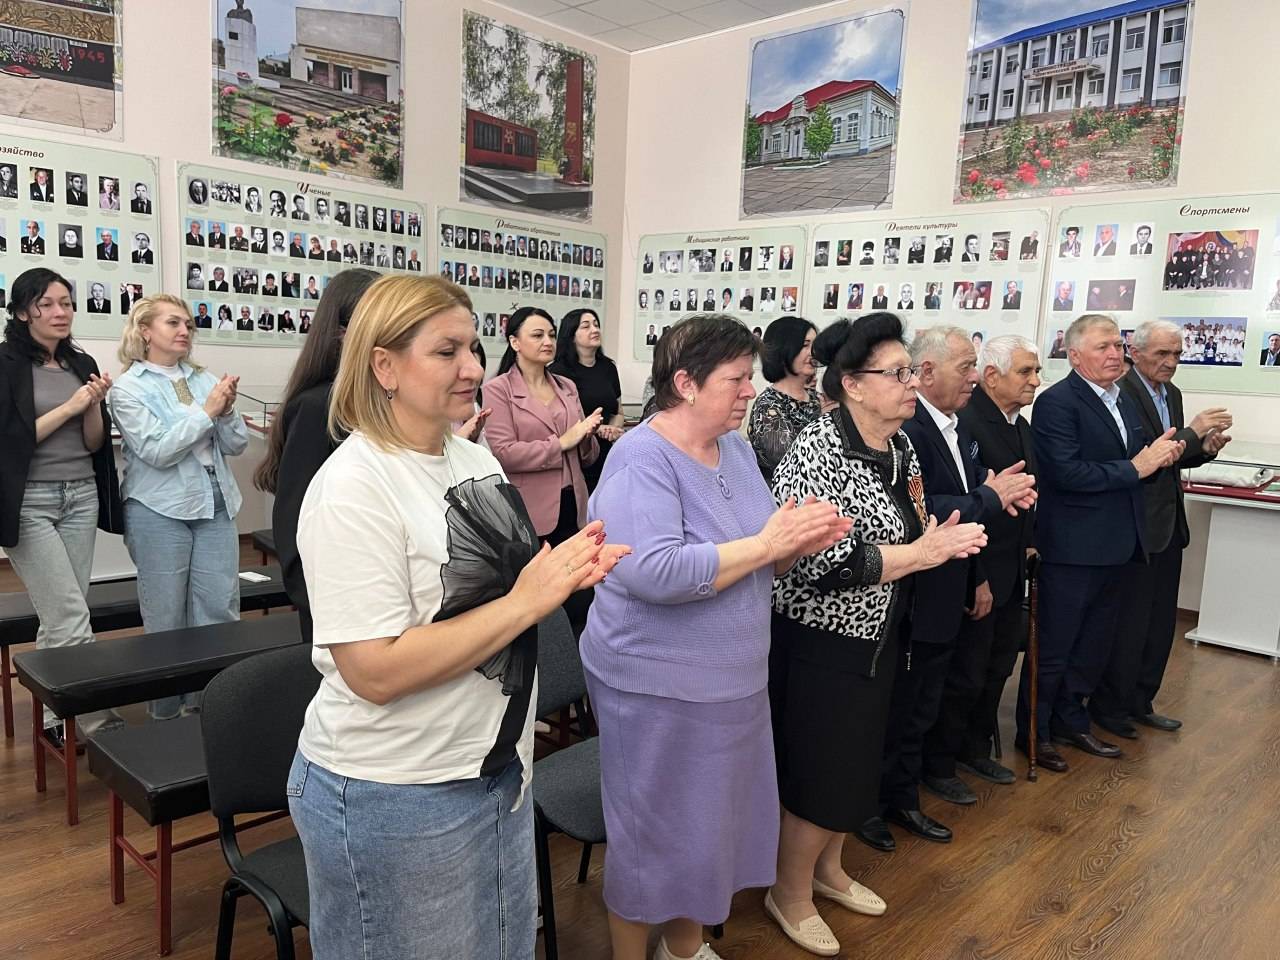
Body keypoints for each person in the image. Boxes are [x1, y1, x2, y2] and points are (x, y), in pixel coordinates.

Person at [287, 274, 626, 959]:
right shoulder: (353, 487)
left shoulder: (471, 457)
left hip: (495, 770)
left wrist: (558, 573)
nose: (473, 368)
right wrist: (527, 600)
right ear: (384, 366)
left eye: (472, 348)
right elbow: (373, 671)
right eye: (447, 352)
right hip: (400, 793)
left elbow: (498, 590)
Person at [582, 313, 849, 960]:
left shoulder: (735, 449)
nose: (750, 391)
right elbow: (654, 571)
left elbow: (760, 556)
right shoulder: (640, 458)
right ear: (686, 384)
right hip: (656, 685)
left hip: (732, 680)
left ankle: (683, 947)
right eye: (736, 379)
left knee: (706, 834)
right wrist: (767, 545)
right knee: (653, 841)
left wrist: (794, 541)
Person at [767, 314, 988, 955]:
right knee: (821, 771)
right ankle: (789, 892)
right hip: (823, 642)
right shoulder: (816, 450)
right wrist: (920, 554)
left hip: (884, 632)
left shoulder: (901, 447)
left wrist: (932, 541)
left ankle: (829, 871)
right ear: (853, 385)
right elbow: (818, 562)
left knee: (858, 763)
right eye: (896, 374)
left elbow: (913, 522)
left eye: (910, 371)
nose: (910, 383)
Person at [860, 326, 1033, 848]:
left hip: (949, 583)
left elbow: (959, 505)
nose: (974, 377)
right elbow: (920, 510)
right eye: (965, 366)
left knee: (925, 701)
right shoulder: (909, 430)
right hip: (913, 589)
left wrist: (990, 504)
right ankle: (874, 805)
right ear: (928, 371)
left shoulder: (956, 427)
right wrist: (989, 495)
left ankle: (903, 796)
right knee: (901, 706)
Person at [1020, 314, 1184, 771]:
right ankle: (1035, 732)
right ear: (1075, 356)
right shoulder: (1057, 402)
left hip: (1119, 545)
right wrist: (1137, 467)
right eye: (1103, 347)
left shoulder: (1121, 398)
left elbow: (1140, 458)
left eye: (1117, 345)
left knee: (1092, 646)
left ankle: (1072, 721)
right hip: (1073, 549)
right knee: (1055, 647)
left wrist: (1164, 455)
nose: (1115, 354)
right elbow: (1066, 473)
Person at [0, 268, 125, 747]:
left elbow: (94, 442)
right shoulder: (6, 363)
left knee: (61, 615)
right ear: (22, 312)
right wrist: (71, 406)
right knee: (70, 614)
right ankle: (99, 724)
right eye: (47, 304)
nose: (60, 312)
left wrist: (92, 405)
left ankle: (55, 720)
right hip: (30, 501)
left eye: (67, 303)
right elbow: (11, 442)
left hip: (81, 496)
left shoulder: (81, 361)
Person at [109, 295, 249, 719]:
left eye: (188, 323)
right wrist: (208, 412)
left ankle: (211, 708)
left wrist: (226, 412)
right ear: (145, 331)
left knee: (219, 609)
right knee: (166, 617)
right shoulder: (128, 388)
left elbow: (237, 445)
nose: (185, 330)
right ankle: (165, 715)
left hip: (215, 499)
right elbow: (157, 451)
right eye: (173, 323)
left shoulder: (204, 379)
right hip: (158, 508)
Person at [1091, 321, 1231, 737]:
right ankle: (1111, 708)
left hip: (1169, 525)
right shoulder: (1121, 393)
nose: (1171, 362)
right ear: (1135, 353)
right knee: (1130, 624)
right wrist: (1193, 431)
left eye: (1177, 354)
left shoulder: (1173, 394)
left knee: (1159, 623)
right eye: (1162, 354)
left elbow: (1175, 457)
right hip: (1135, 525)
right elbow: (1142, 456)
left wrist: (1203, 450)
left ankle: (1141, 701)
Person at [253, 270, 378, 640]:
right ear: (343, 331)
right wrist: (321, 602)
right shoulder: (319, 405)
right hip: (340, 606)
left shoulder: (379, 400)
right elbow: (293, 519)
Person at [484, 307, 601, 545]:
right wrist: (560, 443)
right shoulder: (497, 389)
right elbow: (505, 454)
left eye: (552, 335)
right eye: (538, 335)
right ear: (515, 342)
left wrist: (587, 435)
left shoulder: (567, 386)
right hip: (530, 509)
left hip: (574, 504)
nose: (548, 342)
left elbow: (588, 456)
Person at [550, 308, 624, 493]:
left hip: (607, 453)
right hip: (576, 455)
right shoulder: (558, 372)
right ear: (571, 335)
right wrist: (597, 429)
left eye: (596, 325)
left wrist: (613, 429)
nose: (594, 329)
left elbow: (618, 411)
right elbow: (558, 422)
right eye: (586, 326)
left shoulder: (608, 367)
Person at [748, 316, 820, 483]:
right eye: (805, 345)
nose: (813, 353)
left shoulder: (818, 399)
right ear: (784, 348)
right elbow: (794, 466)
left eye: (815, 346)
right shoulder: (768, 407)